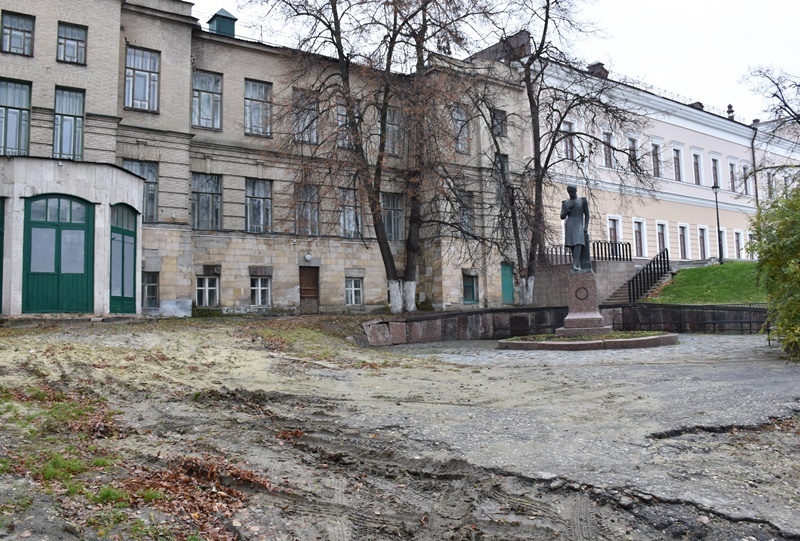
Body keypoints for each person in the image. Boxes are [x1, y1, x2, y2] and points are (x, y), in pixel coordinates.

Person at [560, 184, 590, 272]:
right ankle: (576, 264)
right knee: (573, 244)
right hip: (570, 224)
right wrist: (567, 209)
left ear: (575, 191)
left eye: (572, 191)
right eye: (569, 192)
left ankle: (575, 264)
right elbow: (562, 216)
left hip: (578, 224)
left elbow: (587, 215)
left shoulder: (582, 201)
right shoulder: (566, 202)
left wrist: (586, 227)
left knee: (578, 243)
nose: (571, 193)